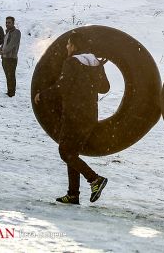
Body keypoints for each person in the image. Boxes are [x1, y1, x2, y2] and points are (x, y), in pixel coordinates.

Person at [34, 32, 110, 204]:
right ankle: (73, 194)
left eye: (69, 44)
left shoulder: (72, 62)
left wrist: (42, 95)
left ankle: (95, 179)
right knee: (72, 153)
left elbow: (62, 87)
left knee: (65, 152)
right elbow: (104, 88)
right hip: (90, 114)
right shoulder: (96, 63)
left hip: (74, 114)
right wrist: (95, 72)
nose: (67, 47)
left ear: (75, 46)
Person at [0, 16, 21, 97]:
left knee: (11, 75)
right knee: (7, 75)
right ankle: (9, 91)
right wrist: (0, 49)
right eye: (6, 22)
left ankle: (12, 93)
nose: (7, 24)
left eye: (9, 22)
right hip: (4, 58)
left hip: (11, 58)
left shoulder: (17, 32)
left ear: (13, 23)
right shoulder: (7, 33)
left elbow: (12, 44)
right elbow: (4, 43)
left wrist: (3, 51)